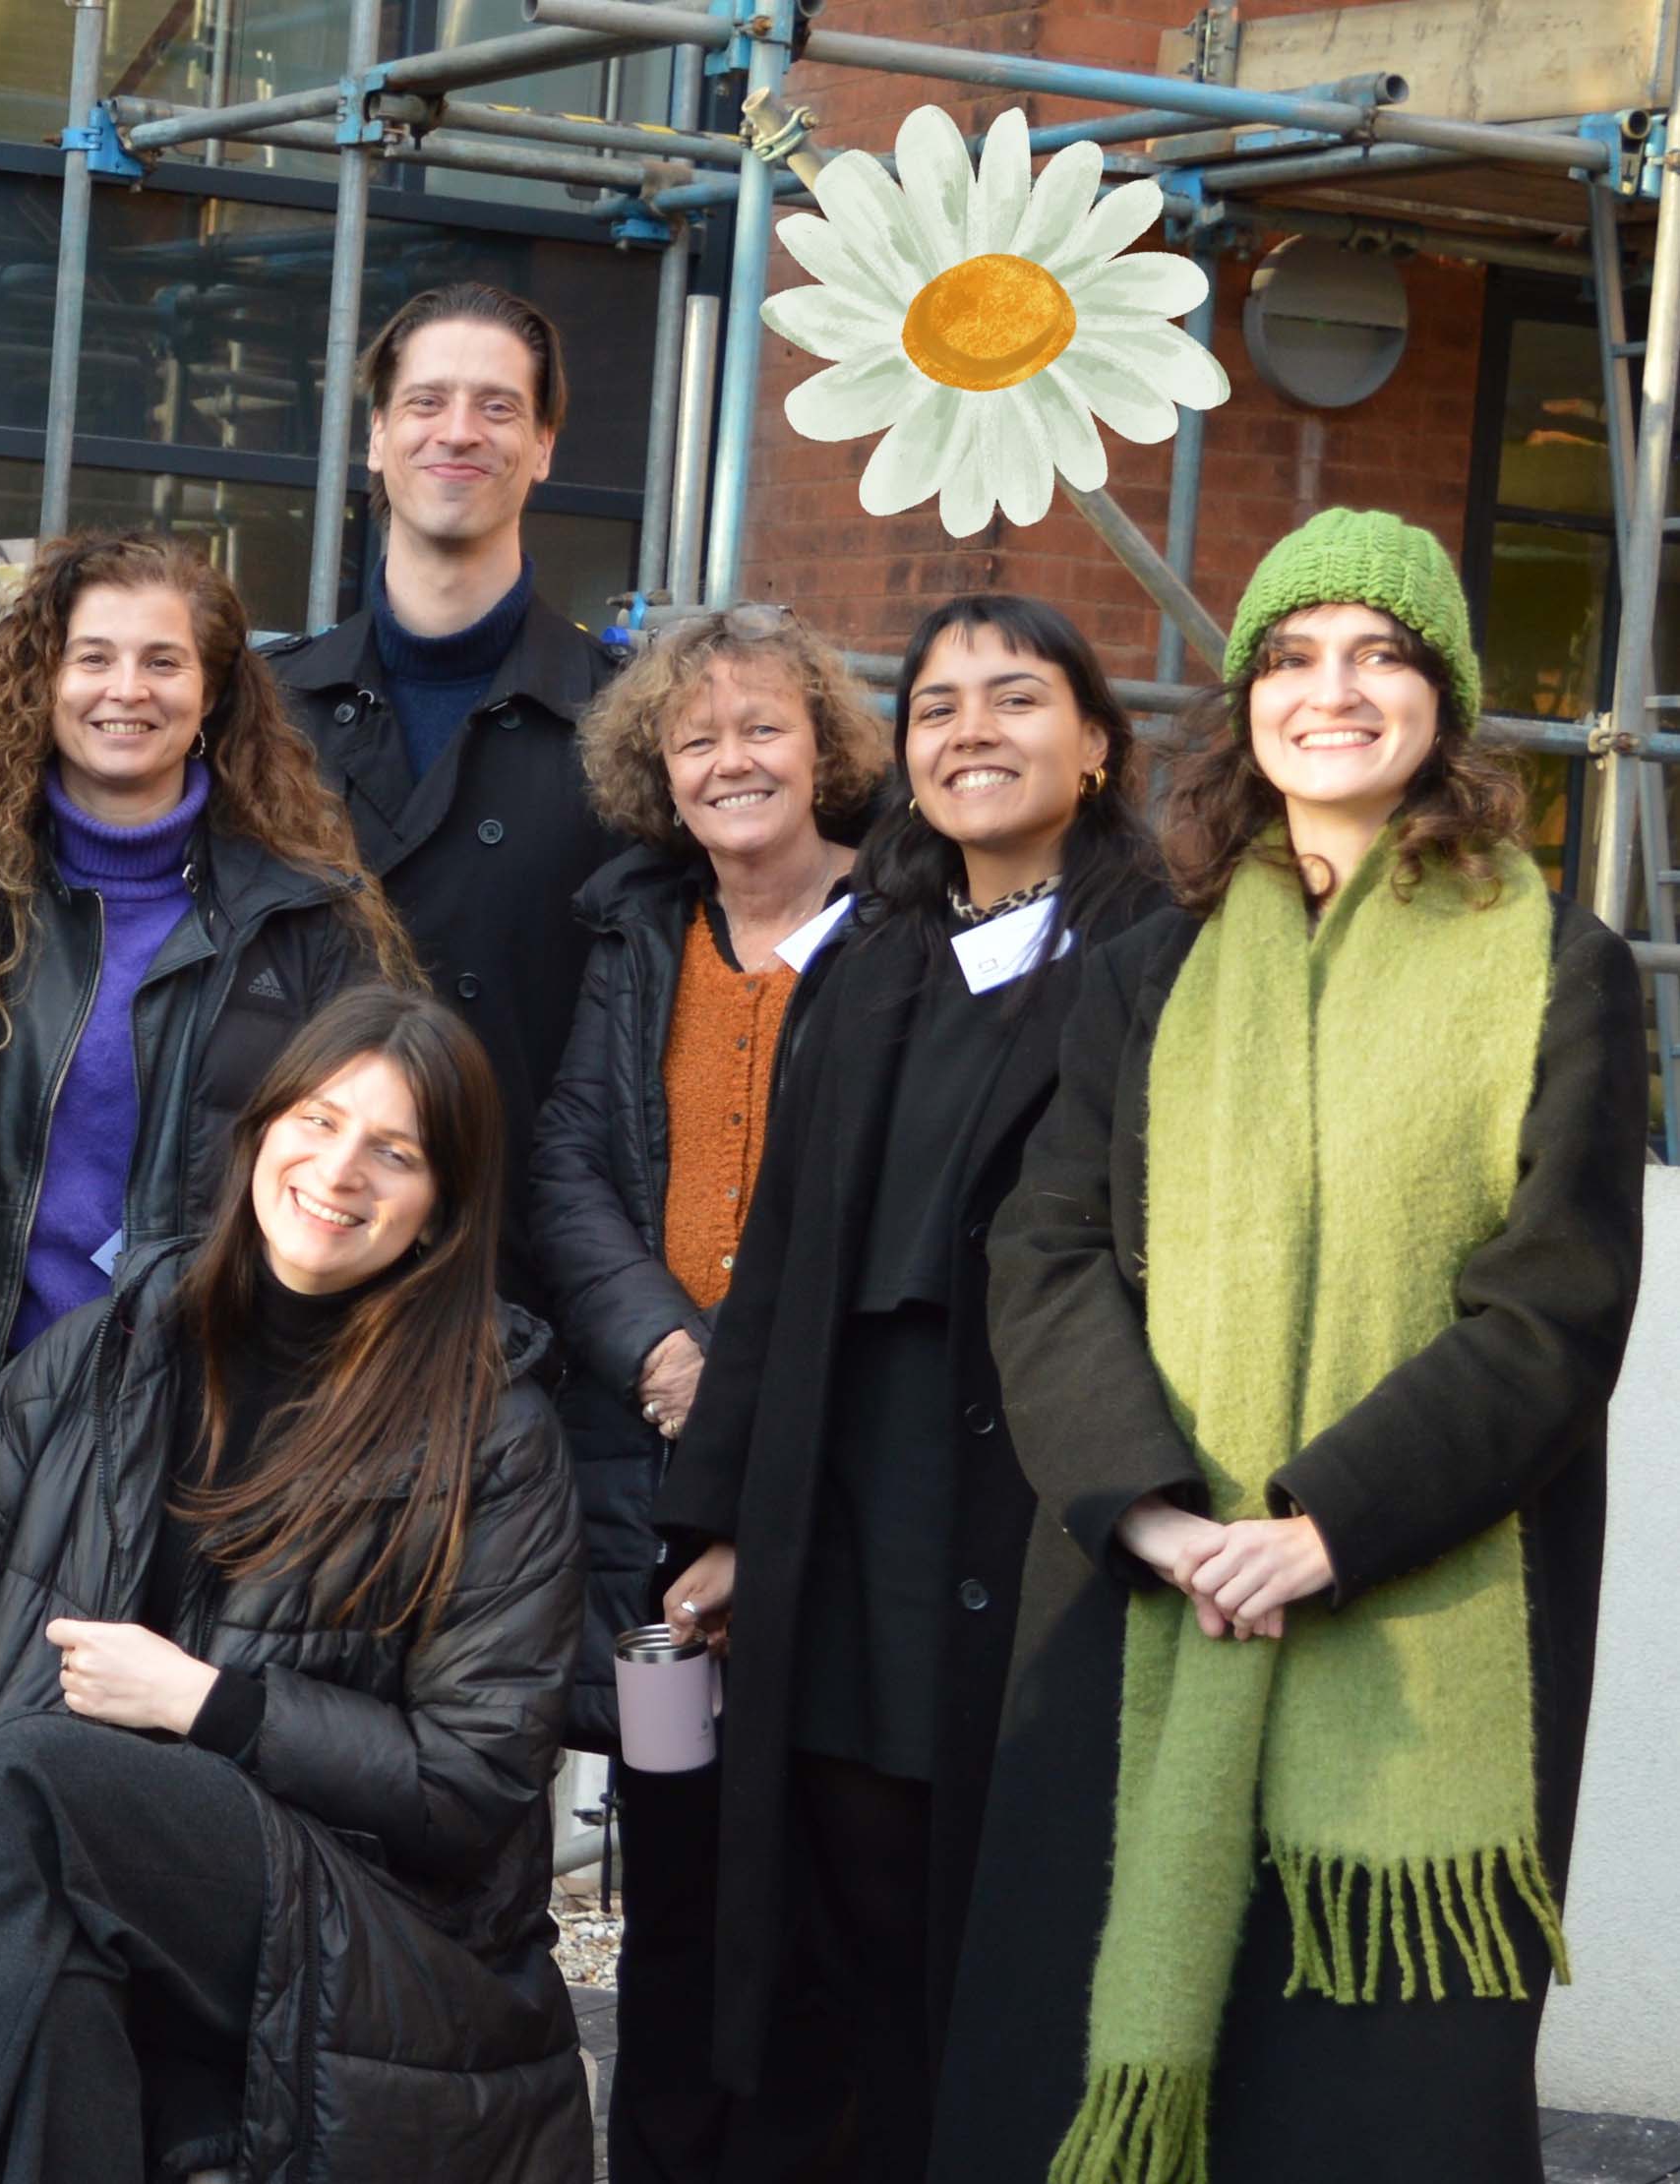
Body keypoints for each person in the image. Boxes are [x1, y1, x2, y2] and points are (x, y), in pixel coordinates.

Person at [939, 514, 1643, 2184]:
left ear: (1444, 705)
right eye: (1293, 657)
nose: (1333, 691)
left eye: (1382, 654)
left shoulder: (1564, 969)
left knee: (1361, 2107)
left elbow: (1552, 1309)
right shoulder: (1141, 976)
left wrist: (1324, 1525)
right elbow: (1042, 1250)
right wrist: (1158, 1513)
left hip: (1416, 1619)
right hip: (1144, 1604)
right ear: (1245, 704)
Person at [0, 988, 588, 2184]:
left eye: (393, 1155)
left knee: (40, 1762)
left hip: (348, 1916)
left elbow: (471, 1783)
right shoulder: (93, 1359)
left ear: (441, 1207)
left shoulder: (492, 1435)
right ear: (259, 1132)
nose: (339, 1171)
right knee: (36, 1992)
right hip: (50, 1876)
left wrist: (210, 1704)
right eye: (317, 1121)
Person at [643, 594, 1168, 2181]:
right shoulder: (871, 960)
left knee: (995, 1892)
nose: (969, 732)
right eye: (935, 706)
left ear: (1093, 746)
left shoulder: (1156, 960)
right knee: (843, 1876)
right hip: (843, 1485)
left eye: (1015, 699)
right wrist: (724, 1516)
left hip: (1026, 1495)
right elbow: (783, 1253)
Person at [515, 602, 884, 2184]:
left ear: (823, 749)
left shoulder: (906, 940)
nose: (728, 759)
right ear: (655, 774)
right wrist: (666, 1358)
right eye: (693, 738)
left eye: (759, 727)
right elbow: (567, 1169)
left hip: (834, 1490)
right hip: (655, 1493)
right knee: (667, 1865)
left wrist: (745, 1404)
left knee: (822, 1880)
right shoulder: (630, 935)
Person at [0, 528, 403, 1462]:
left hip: (200, 1418)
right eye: (93, 658)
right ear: (46, 682)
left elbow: (368, 1186)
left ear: (211, 694)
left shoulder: (306, 921)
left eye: (162, 661)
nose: (125, 689)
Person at [266, 284, 624, 1257]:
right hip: (283, 1252)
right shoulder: (260, 711)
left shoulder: (629, 724)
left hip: (518, 1271)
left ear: (543, 447)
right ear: (377, 437)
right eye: (425, 402)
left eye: (497, 406)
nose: (457, 432)